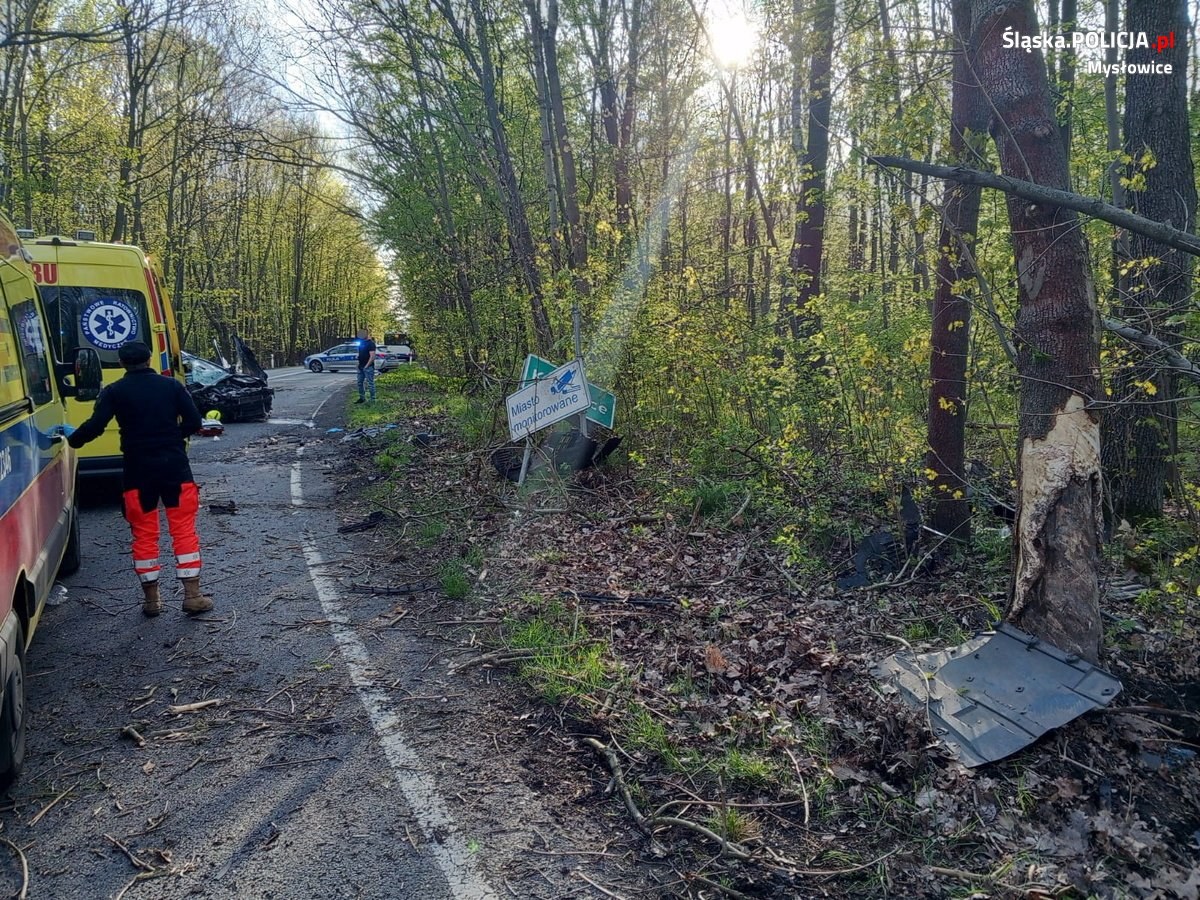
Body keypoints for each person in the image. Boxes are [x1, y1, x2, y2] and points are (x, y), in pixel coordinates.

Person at [68, 341, 214, 617]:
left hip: (137, 470)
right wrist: (172, 437)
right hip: (174, 468)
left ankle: (151, 601)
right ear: (149, 359)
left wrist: (72, 438)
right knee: (183, 529)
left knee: (144, 534)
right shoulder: (171, 387)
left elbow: (96, 426)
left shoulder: (114, 391)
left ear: (122, 363)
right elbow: (195, 421)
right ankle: (193, 596)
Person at [356, 328, 376, 404]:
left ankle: (372, 400)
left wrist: (367, 366)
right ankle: (362, 398)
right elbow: (360, 354)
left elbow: (372, 356)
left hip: (368, 367)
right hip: (360, 366)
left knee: (370, 383)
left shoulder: (371, 343)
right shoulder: (361, 343)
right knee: (359, 383)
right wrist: (358, 364)